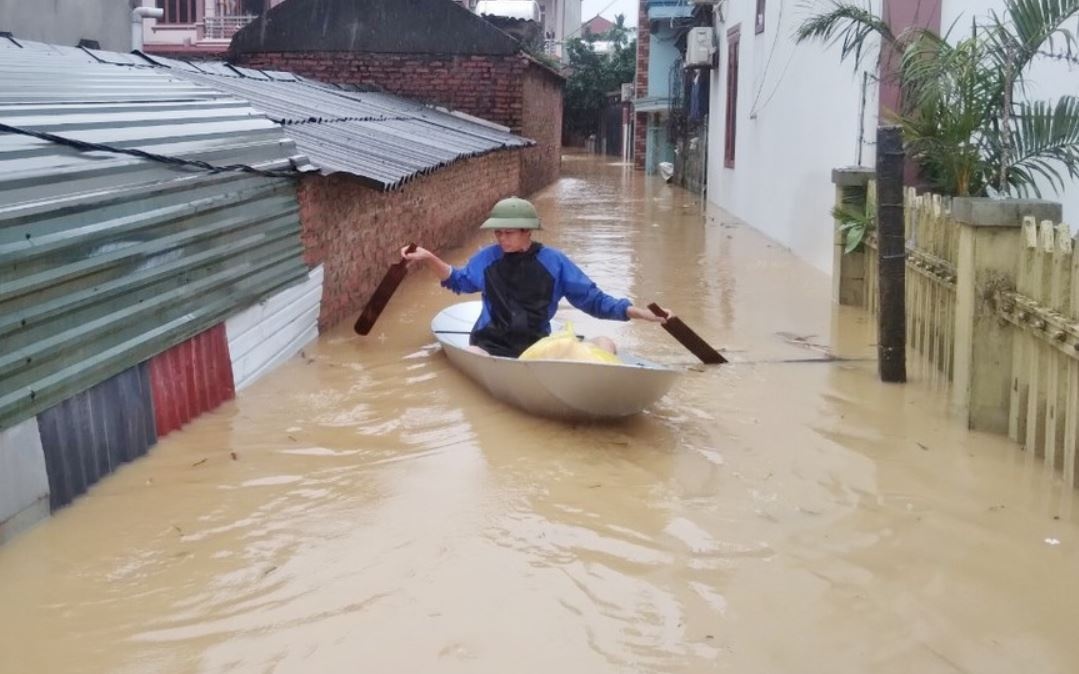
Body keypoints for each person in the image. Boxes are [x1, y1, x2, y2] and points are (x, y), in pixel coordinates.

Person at [402, 196, 669, 358]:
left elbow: (594, 301)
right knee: (472, 353)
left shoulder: (553, 262)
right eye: (498, 233)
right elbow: (457, 280)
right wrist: (428, 258)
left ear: (528, 231)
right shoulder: (488, 259)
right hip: (490, 345)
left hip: (536, 346)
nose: (502, 239)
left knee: (605, 343)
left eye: (509, 233)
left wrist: (640, 313)